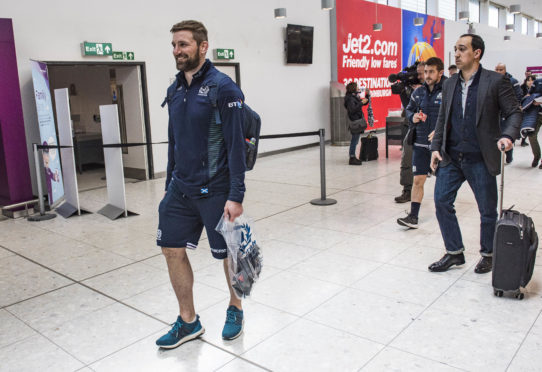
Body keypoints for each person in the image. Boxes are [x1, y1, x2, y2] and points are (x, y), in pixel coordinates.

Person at [156, 20, 247, 349]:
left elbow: (237, 145)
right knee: (171, 249)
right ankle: (188, 321)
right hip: (180, 189)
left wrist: (236, 195)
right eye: (174, 45)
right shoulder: (175, 89)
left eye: (183, 44)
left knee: (230, 255)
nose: (177, 51)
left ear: (202, 46)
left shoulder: (224, 88)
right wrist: (168, 184)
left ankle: (235, 308)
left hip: (217, 189)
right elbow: (173, 141)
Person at [428, 34, 522, 274]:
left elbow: (514, 113)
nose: (457, 54)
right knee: (441, 201)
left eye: (462, 49)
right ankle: (454, 252)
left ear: (477, 53)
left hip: (480, 156)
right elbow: (442, 119)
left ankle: (488, 253)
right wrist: (436, 147)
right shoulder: (449, 83)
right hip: (452, 157)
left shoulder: (495, 82)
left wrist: (508, 136)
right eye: (455, 49)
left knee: (487, 210)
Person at [397, 57, 446, 228]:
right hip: (419, 144)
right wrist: (413, 116)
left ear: (440, 72)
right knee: (417, 180)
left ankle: (445, 217)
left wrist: (441, 133)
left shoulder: (448, 91)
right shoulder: (418, 92)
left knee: (442, 185)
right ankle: (413, 217)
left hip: (441, 148)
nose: (427, 75)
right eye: (425, 72)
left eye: (431, 72)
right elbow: (409, 109)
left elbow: (455, 116)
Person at [395, 61, 426, 203]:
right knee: (407, 157)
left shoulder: (441, 87)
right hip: (415, 128)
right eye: (417, 73)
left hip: (434, 130)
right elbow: (408, 109)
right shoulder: (413, 88)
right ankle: (407, 190)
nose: (419, 77)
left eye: (422, 73)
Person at [495, 63, 524, 158]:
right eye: (497, 69)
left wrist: (514, 107)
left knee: (507, 132)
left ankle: (509, 154)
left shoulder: (512, 81)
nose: (499, 72)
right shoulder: (493, 81)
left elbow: (519, 95)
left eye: (501, 69)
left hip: (508, 112)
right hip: (497, 113)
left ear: (505, 70)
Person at [344, 82, 369, 165]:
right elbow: (352, 109)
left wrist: (367, 96)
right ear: (353, 88)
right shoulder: (350, 98)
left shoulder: (354, 96)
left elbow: (361, 104)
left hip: (357, 120)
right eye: (357, 87)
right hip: (355, 121)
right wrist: (361, 103)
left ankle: (353, 156)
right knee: (354, 140)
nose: (358, 88)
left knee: (355, 140)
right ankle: (352, 157)